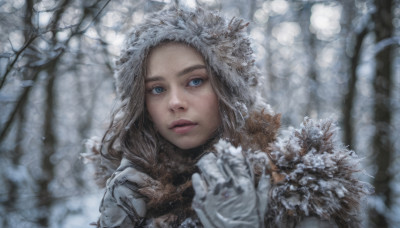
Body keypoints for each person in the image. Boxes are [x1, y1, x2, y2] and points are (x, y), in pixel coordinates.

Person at [84, 3, 373, 227]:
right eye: (157, 89)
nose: (175, 102)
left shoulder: (296, 190)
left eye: (195, 81)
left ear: (231, 89)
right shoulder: (128, 186)